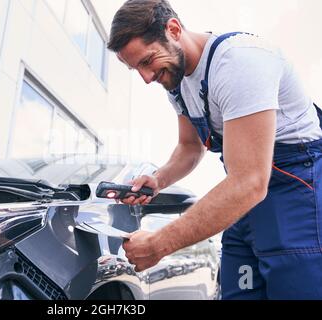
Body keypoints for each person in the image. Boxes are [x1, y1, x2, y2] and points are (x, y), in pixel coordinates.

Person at [108, 0, 322, 300]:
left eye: (147, 61)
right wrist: (159, 179)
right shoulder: (178, 81)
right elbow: (189, 146)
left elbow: (249, 182)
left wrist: (159, 244)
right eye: (136, 69)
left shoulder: (238, 63)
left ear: (173, 29)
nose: (146, 78)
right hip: (244, 205)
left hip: (296, 195)